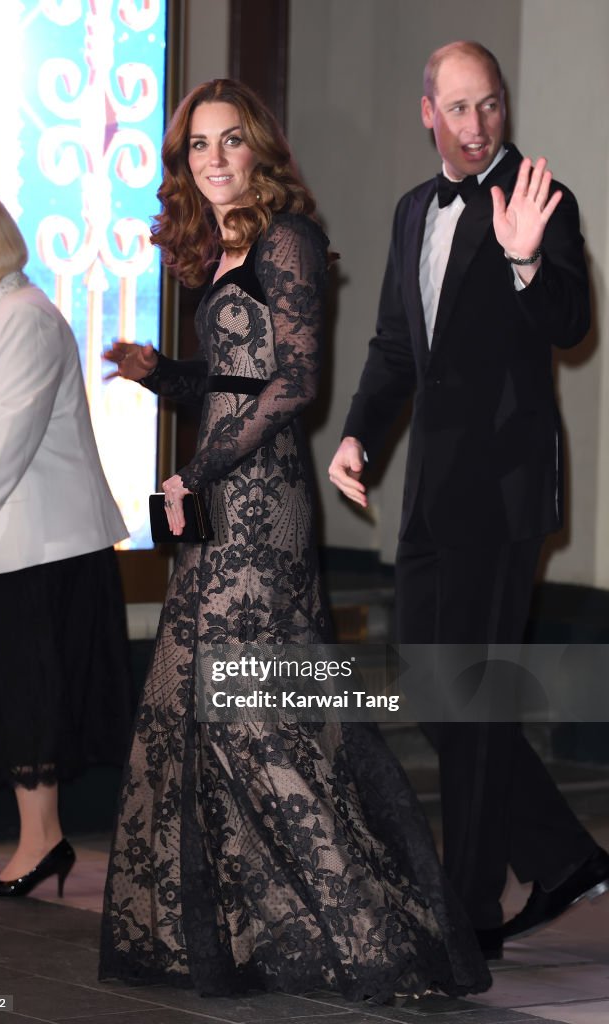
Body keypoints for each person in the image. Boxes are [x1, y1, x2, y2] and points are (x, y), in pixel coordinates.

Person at [99, 78, 490, 1002]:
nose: (215, 160)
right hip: (216, 504)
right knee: (181, 715)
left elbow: (294, 385)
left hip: (257, 505)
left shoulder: (290, 238)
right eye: (198, 147)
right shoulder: (226, 245)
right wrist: (165, 376)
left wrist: (195, 474)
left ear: (259, 149)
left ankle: (377, 940)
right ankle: (215, 937)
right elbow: (235, 384)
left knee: (258, 714)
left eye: (231, 142)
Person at [329, 40, 609, 958]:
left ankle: (470, 910)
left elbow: (571, 324)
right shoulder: (416, 211)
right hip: (428, 493)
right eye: (458, 108)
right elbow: (394, 348)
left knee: (475, 696)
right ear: (427, 113)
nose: (478, 125)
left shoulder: (538, 197)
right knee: (427, 682)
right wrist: (363, 433)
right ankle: (562, 854)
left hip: (505, 486)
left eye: (490, 106)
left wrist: (529, 263)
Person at [0, 188, 133, 898]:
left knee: (26, 690)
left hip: (31, 551)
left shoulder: (28, 320)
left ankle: (42, 840)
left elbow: (12, 429)